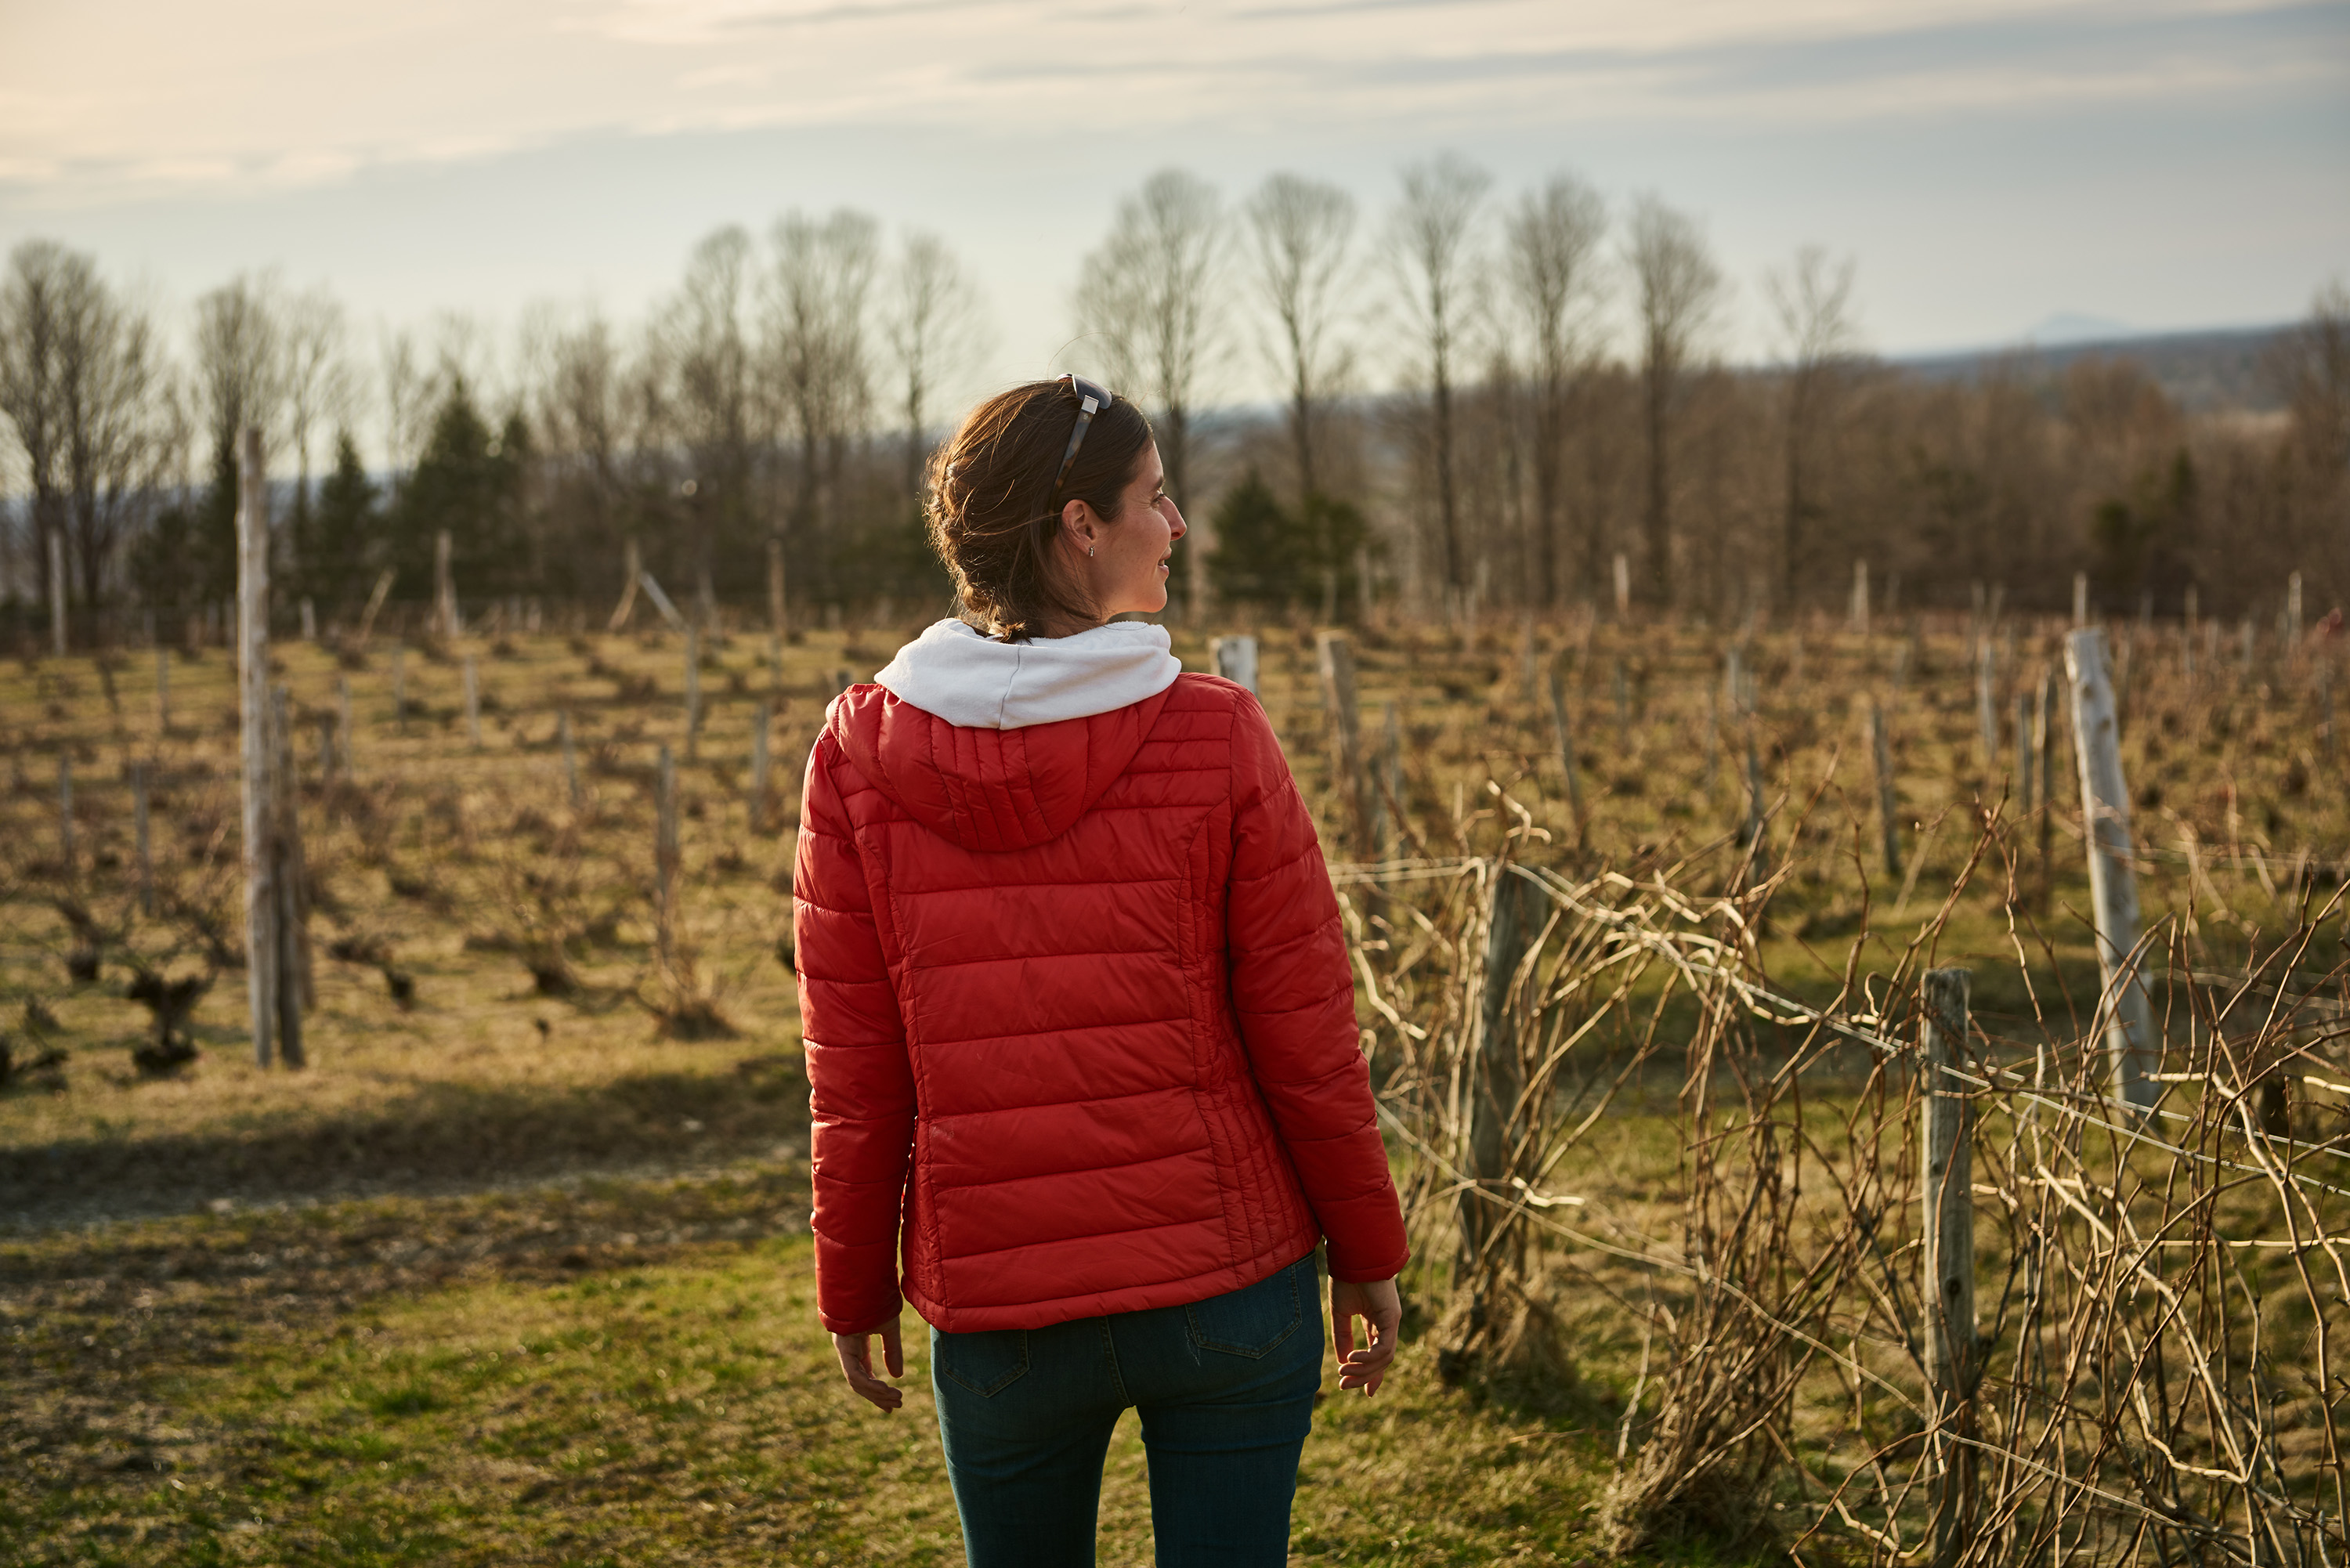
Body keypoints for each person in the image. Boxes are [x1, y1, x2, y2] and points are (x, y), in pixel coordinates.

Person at [793, 374, 1408, 1566]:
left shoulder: (858, 755)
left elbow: (854, 1072)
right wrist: (1368, 1250)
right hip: (1226, 1283)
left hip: (1003, 1314)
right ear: (1080, 524)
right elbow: (1307, 1034)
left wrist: (853, 1282)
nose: (1176, 525)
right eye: (1155, 497)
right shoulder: (1216, 732)